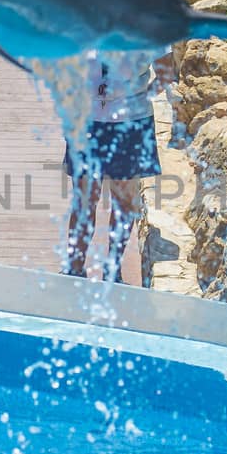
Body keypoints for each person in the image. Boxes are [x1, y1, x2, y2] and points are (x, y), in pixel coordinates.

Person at [62, 51, 161, 282]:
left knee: (124, 203)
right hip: (86, 121)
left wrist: (137, 101)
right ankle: (74, 269)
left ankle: (113, 269)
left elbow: (166, 73)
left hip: (131, 124)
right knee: (85, 200)